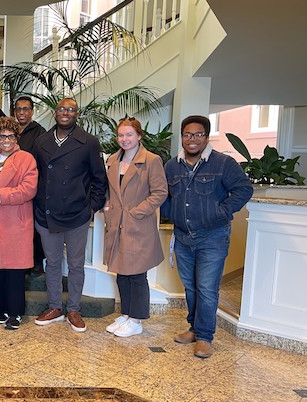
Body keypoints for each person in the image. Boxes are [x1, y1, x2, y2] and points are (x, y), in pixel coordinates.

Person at [162, 115, 252, 358]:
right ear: (182, 137)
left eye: (198, 134)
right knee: (190, 287)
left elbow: (244, 189)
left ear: (206, 136)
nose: (192, 139)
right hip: (183, 237)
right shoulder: (172, 166)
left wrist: (220, 212)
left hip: (212, 237)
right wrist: (172, 214)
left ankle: (204, 337)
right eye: (188, 134)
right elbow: (164, 196)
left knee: (206, 288)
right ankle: (194, 328)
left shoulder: (223, 163)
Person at [33, 98, 108, 333]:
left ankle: (74, 309)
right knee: (53, 263)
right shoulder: (41, 141)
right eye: (62, 109)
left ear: (77, 114)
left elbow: (99, 180)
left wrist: (90, 208)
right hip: (47, 215)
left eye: (71, 109)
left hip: (77, 215)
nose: (66, 113)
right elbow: (35, 176)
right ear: (55, 113)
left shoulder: (88, 142)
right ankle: (55, 307)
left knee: (76, 265)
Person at [103, 117, 168, 337]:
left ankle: (137, 319)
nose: (125, 139)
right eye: (121, 135)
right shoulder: (112, 160)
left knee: (137, 274)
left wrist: (137, 212)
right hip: (117, 224)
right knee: (122, 272)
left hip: (138, 225)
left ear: (139, 136)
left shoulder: (151, 160)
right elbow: (110, 191)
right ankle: (127, 314)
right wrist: (107, 207)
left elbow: (160, 192)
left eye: (129, 134)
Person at [0, 117, 38, 330]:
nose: (6, 140)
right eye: (2, 136)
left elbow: (29, 189)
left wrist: (0, 197)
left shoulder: (26, 159)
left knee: (15, 270)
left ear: (16, 137)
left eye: (10, 136)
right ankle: (1, 310)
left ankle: (15, 313)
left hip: (16, 221)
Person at [13, 96, 47, 273]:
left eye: (25, 109)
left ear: (32, 111)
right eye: (18, 109)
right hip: (12, 187)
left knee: (33, 226)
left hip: (32, 186)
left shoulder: (39, 133)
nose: (21, 113)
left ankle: (36, 262)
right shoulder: (10, 131)